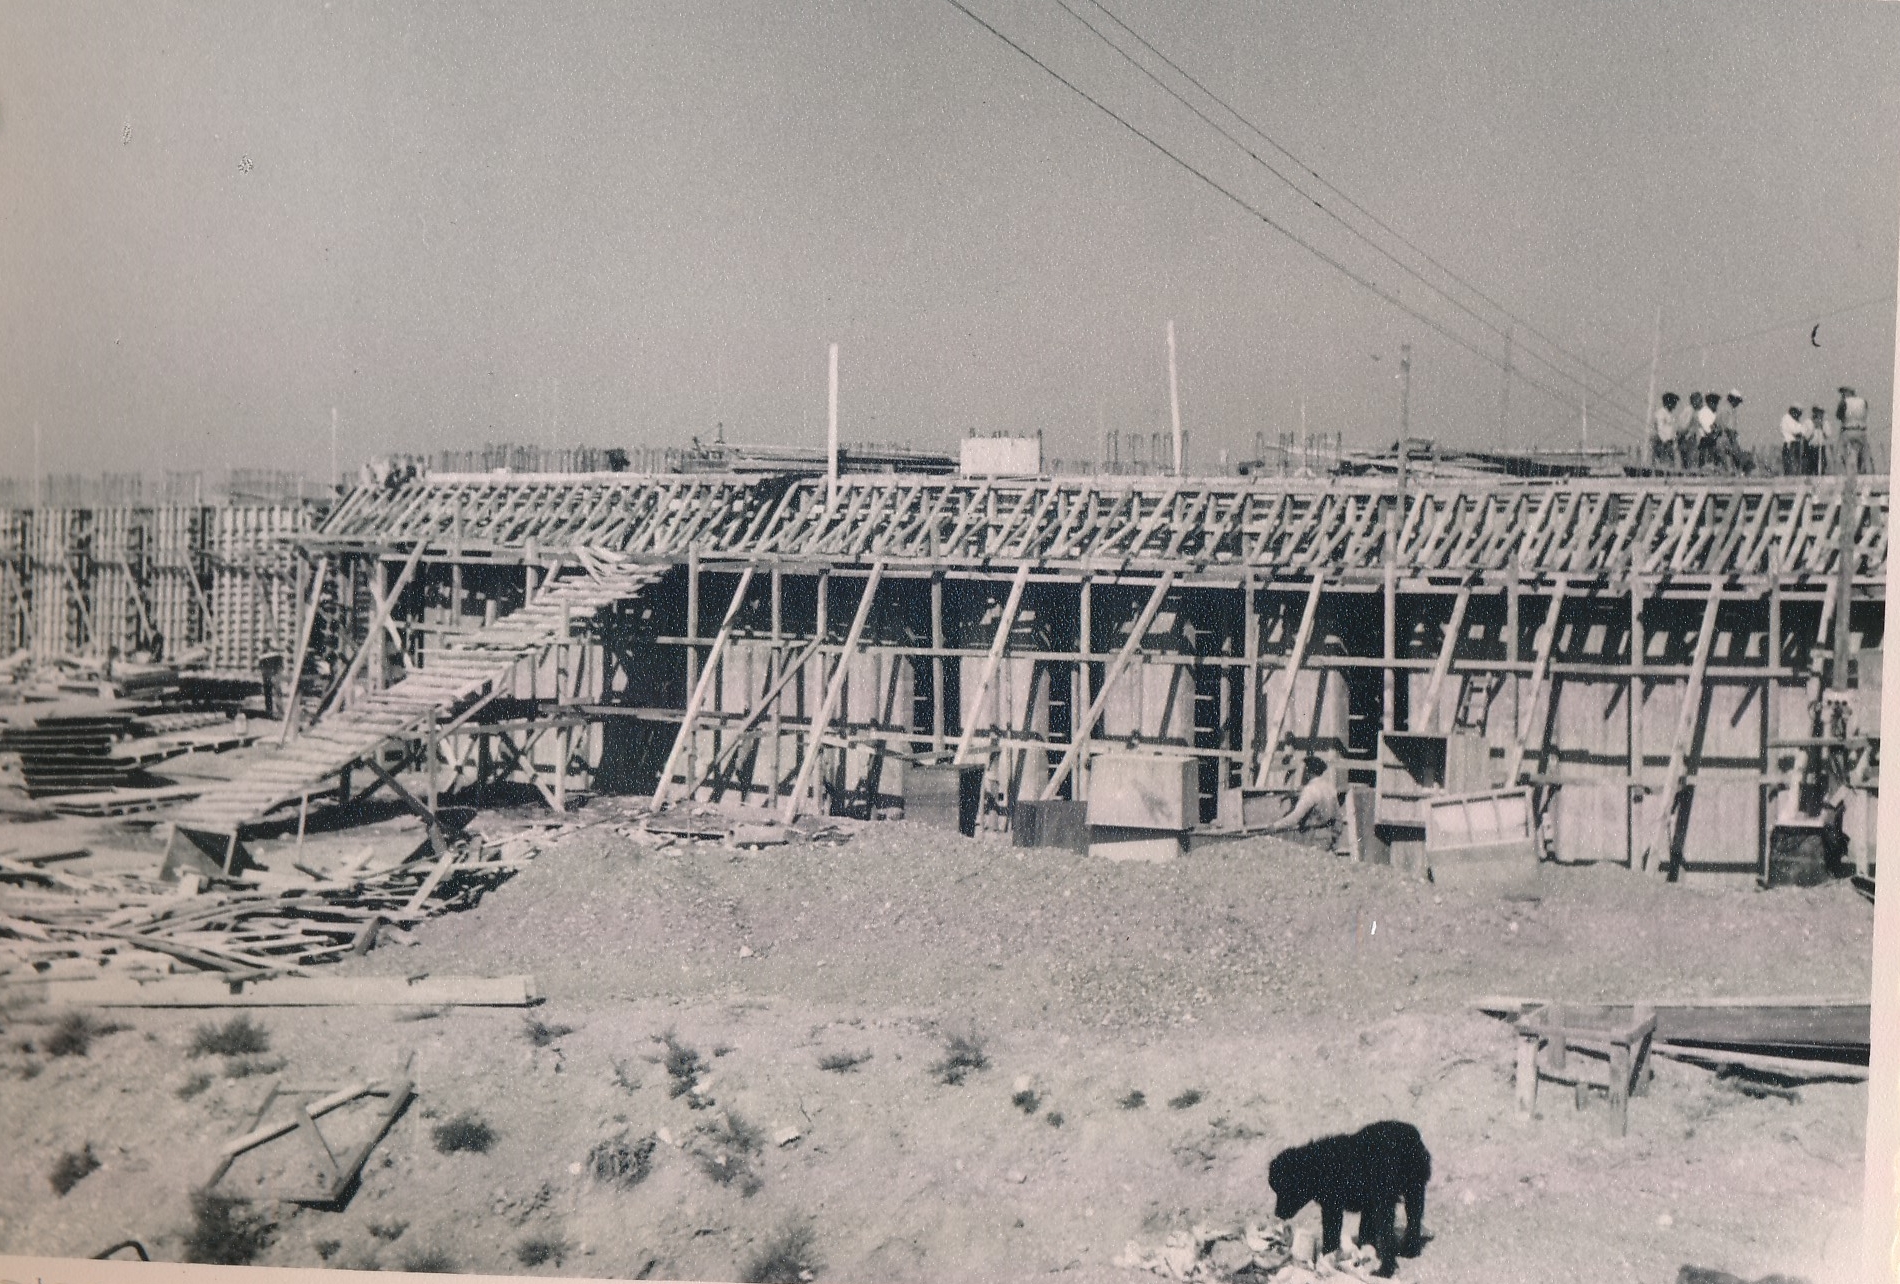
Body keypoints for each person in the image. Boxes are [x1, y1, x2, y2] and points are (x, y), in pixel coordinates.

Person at [1267, 756, 1340, 840]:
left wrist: (1275, 826)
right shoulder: (1330, 787)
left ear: (1308, 771)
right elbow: (1337, 815)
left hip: (1311, 835)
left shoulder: (1310, 790)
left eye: (1305, 769)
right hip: (1327, 835)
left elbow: (1296, 817)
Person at [1837, 386, 1871, 475]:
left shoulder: (1844, 402)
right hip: (1861, 430)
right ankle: (1863, 471)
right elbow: (1865, 414)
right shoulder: (1863, 401)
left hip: (1848, 430)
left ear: (1849, 392)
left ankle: (1849, 473)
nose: (1842, 395)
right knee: (1863, 454)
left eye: (1843, 393)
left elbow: (1838, 415)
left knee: (1843, 452)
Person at [1652, 393, 1680, 469]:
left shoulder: (1671, 415)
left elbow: (1672, 430)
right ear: (1668, 402)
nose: (1675, 405)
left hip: (1670, 442)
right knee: (1661, 464)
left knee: (1670, 464)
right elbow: (1660, 429)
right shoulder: (1660, 413)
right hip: (1662, 442)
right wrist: (1665, 441)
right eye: (1674, 402)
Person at [1779, 405, 1807, 475]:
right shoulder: (1787, 418)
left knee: (1797, 461)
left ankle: (1796, 474)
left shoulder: (1796, 420)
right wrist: (1801, 431)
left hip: (1796, 442)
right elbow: (1795, 430)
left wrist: (1801, 432)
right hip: (1789, 443)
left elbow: (1803, 431)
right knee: (1790, 461)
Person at [1695, 392, 1719, 472]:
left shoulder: (1713, 413)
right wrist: (1714, 430)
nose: (1716, 405)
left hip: (1712, 439)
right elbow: (1708, 429)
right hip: (1705, 439)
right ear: (1709, 403)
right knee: (1704, 463)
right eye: (1714, 403)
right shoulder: (1704, 412)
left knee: (1712, 463)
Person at [1813, 403, 1837, 474]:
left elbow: (1828, 434)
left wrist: (1822, 426)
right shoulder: (1809, 422)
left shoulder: (1825, 423)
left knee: (1822, 463)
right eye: (1817, 412)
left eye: (1820, 412)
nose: (1819, 414)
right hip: (1812, 445)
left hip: (1821, 445)